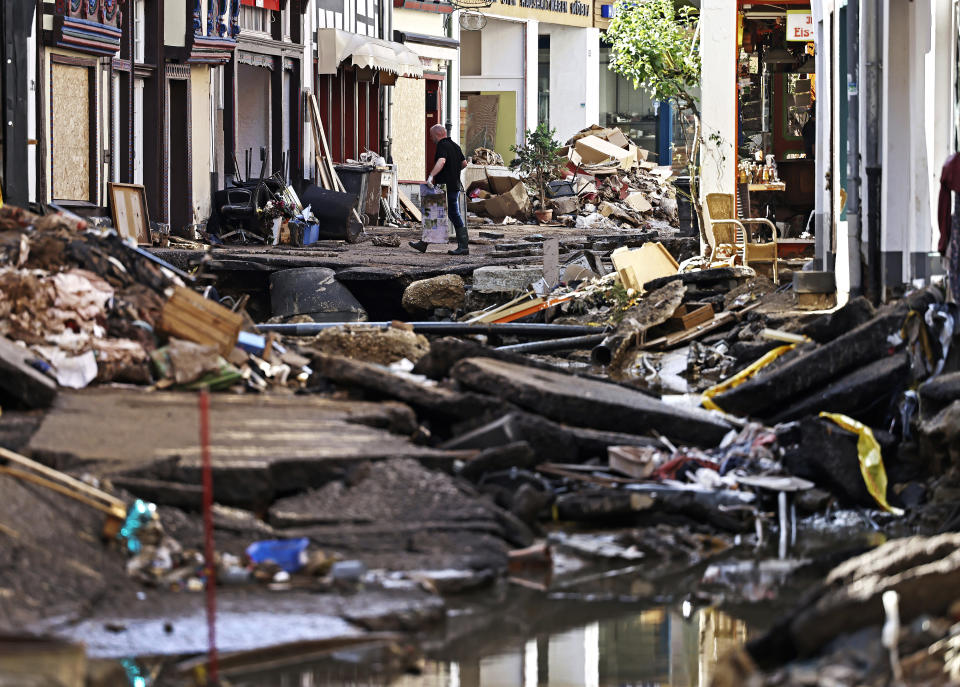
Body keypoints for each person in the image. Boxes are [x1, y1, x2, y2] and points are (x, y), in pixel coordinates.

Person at [409, 124, 469, 255]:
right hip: (454, 185)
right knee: (434, 214)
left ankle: (464, 247)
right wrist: (453, 172)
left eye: (431, 135)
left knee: (452, 214)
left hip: (444, 187)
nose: (431, 138)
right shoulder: (455, 146)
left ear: (437, 134)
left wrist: (431, 176)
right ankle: (423, 243)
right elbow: (464, 163)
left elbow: (441, 161)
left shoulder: (442, 145)